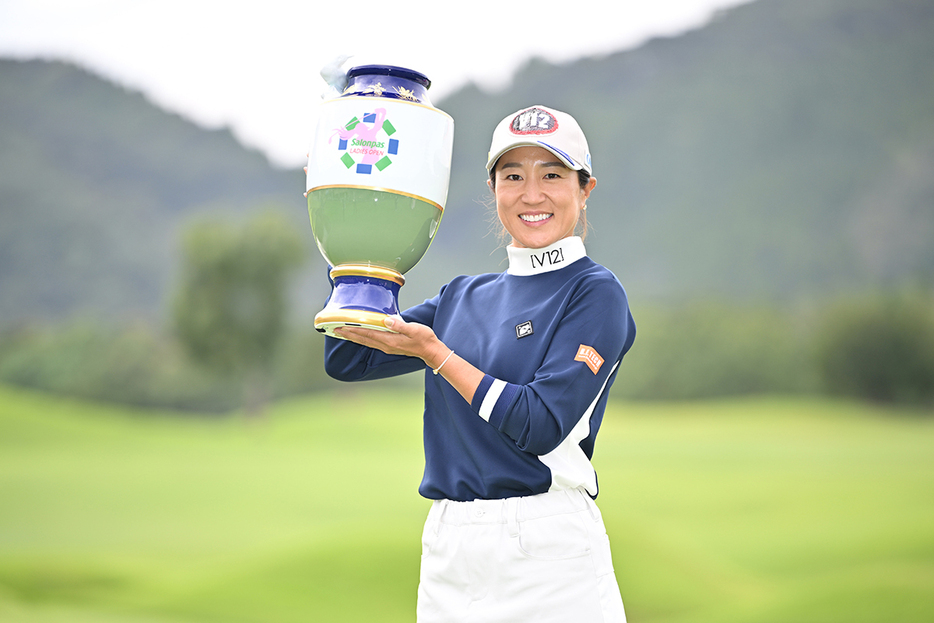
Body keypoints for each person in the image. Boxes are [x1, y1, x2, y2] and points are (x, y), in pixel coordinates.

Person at [325, 104, 636, 623]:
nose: (531, 194)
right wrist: (349, 214)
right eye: (513, 176)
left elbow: (538, 424)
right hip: (450, 548)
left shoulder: (594, 292)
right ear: (493, 190)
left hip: (548, 550)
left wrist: (436, 354)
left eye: (552, 175)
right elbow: (348, 355)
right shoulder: (462, 297)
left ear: (585, 190)